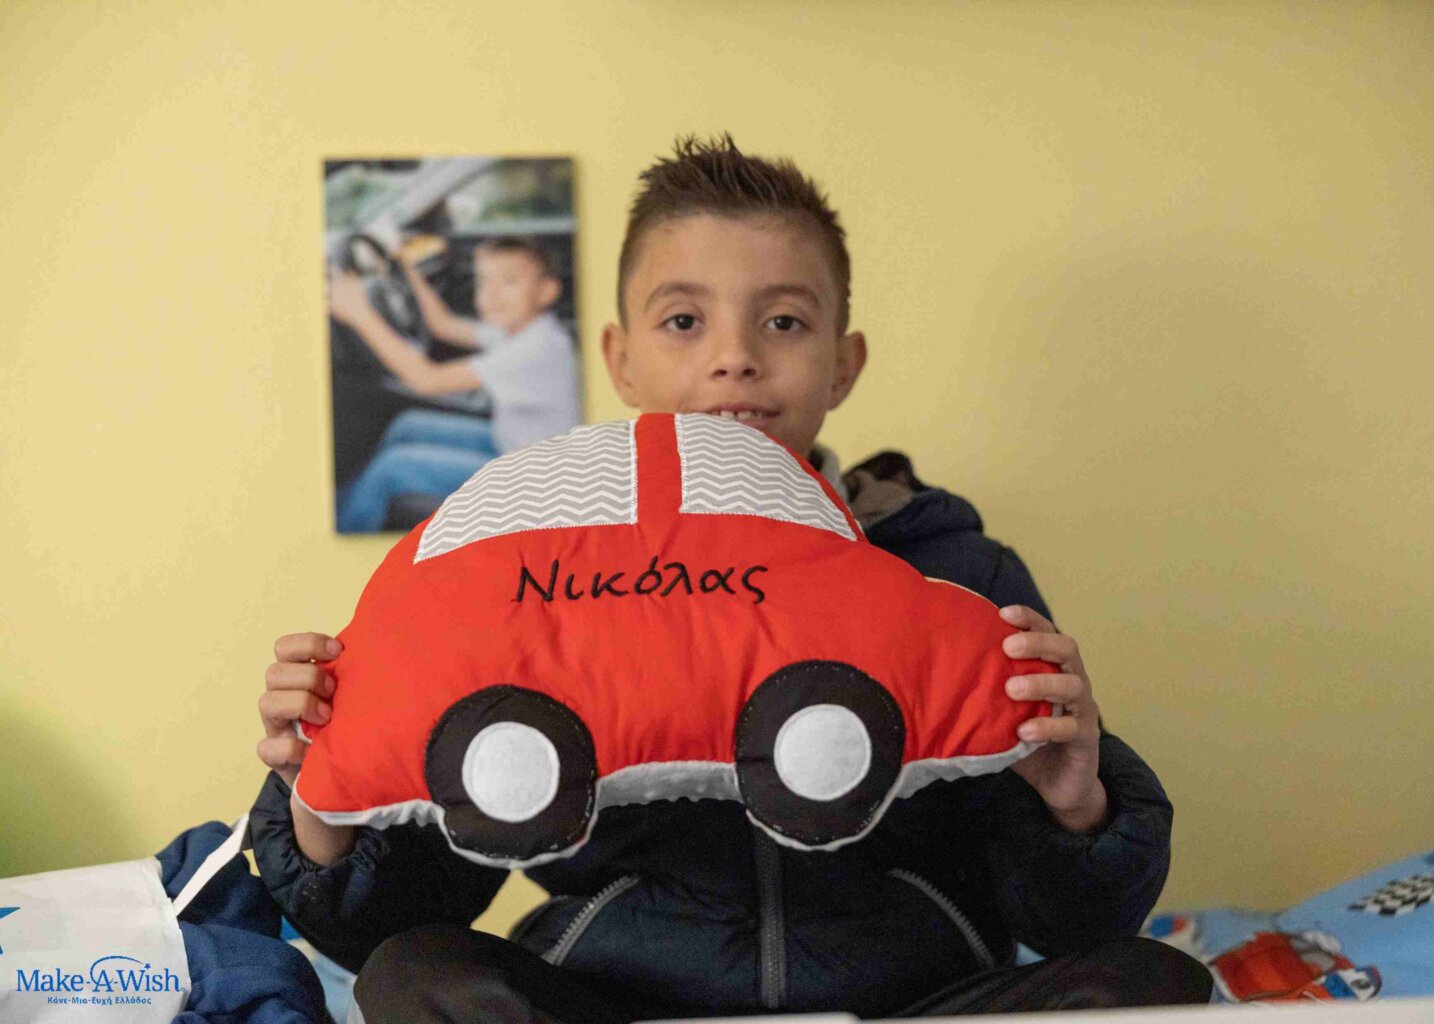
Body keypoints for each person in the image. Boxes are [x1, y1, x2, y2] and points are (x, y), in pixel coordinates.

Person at [253, 134, 1212, 1021]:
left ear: (843, 365)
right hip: (623, 1002)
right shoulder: (524, 571)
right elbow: (406, 907)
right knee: (411, 973)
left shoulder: (957, 571)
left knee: (1154, 985)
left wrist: (1076, 801)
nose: (735, 359)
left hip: (914, 1000)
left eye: (784, 321)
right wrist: (320, 806)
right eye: (683, 320)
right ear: (621, 361)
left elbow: (1075, 921)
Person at [330, 237, 582, 533]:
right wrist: (407, 269)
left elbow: (427, 380)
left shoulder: (538, 348)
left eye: (509, 282)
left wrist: (360, 314)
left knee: (390, 470)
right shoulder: (520, 330)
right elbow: (443, 324)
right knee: (409, 425)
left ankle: (342, 527)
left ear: (547, 291)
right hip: (515, 443)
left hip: (534, 483)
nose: (491, 294)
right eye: (484, 281)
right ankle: (350, 499)